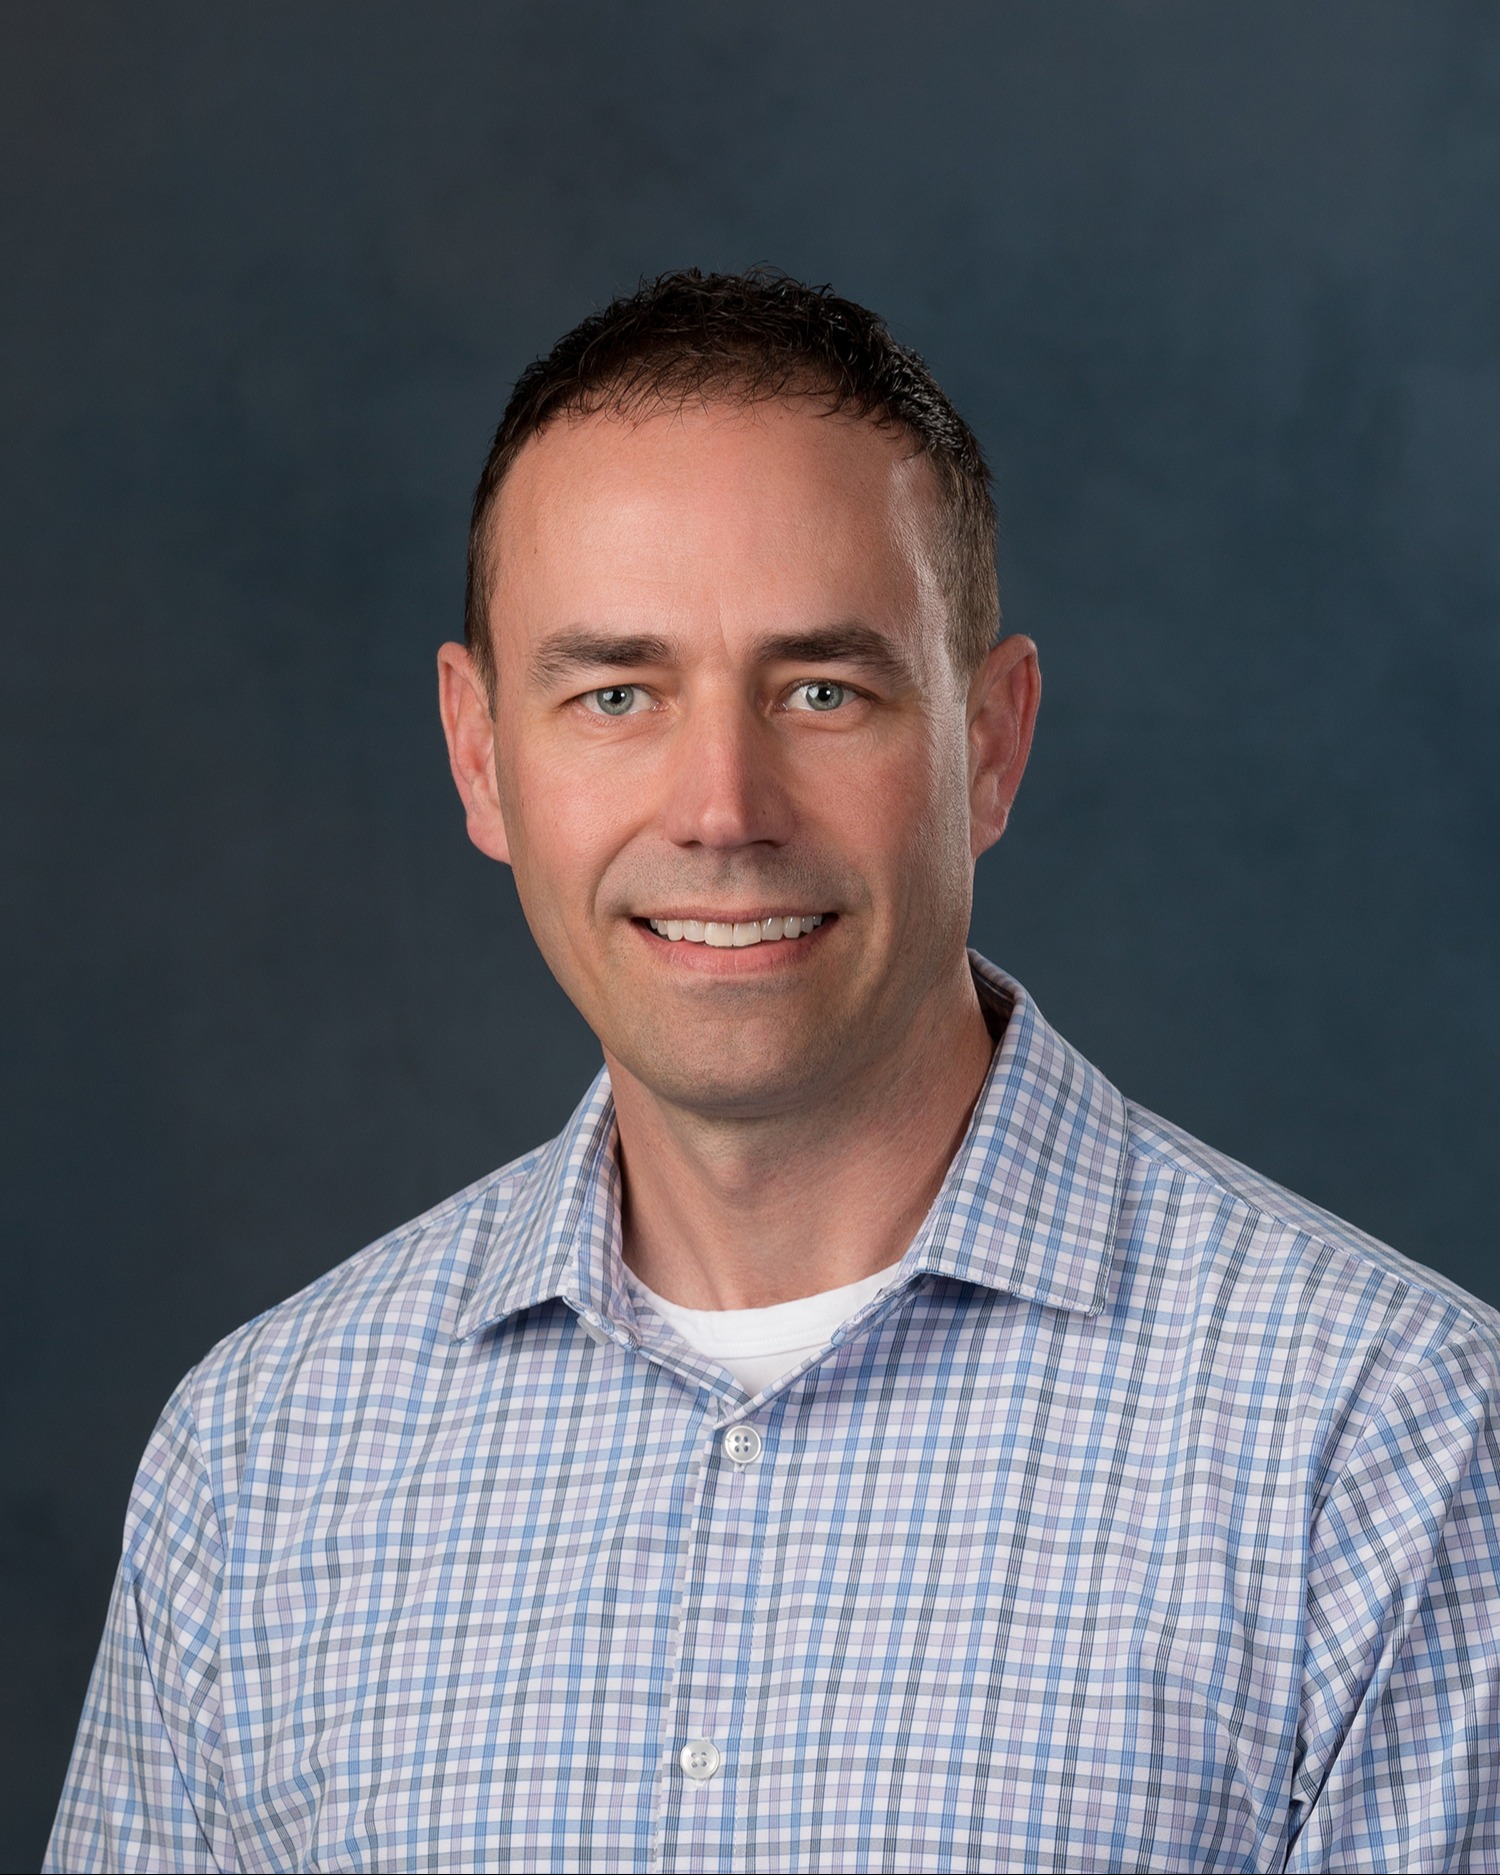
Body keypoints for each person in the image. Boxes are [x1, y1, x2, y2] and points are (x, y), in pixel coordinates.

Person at [48, 269, 1500, 1874]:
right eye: (616, 693)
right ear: (480, 756)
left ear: (991, 742)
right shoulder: (258, 1460)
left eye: (824, 690)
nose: (722, 807)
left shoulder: (1386, 1451)